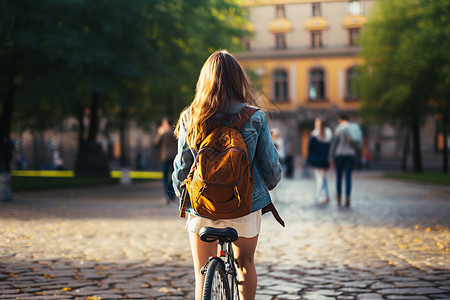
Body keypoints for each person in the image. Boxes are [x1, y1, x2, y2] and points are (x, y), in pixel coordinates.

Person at [172, 50, 282, 300]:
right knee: (245, 264)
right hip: (245, 205)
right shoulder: (255, 117)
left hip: (202, 207)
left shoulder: (192, 116)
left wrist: (183, 195)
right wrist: (270, 185)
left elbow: (181, 169)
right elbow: (271, 168)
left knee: (201, 274)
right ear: (238, 80)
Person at [329, 114, 361, 207]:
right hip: (350, 154)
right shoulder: (353, 128)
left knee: (338, 177)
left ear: (340, 119)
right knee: (348, 177)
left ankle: (339, 198)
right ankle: (347, 197)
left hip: (339, 154)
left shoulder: (338, 128)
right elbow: (357, 142)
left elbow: (334, 143)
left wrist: (331, 156)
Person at [307, 118, 332, 204]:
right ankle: (325, 196)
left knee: (319, 179)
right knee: (323, 178)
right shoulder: (328, 133)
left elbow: (310, 147)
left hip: (316, 159)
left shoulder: (314, 133)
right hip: (324, 159)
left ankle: (319, 196)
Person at [155, 118, 177, 203]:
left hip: (165, 157)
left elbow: (156, 142)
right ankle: (173, 196)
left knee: (165, 178)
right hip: (174, 157)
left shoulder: (164, 133)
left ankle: (167, 196)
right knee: (173, 177)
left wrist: (160, 133)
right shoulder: (175, 132)